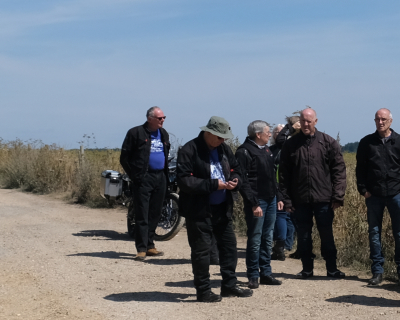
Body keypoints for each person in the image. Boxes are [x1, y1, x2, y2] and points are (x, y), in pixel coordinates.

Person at [174, 115, 255, 302]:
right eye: (219, 137)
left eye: (225, 137)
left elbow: (236, 169)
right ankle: (203, 291)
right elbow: (185, 180)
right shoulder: (189, 150)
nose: (222, 140)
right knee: (201, 252)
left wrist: (235, 180)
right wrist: (213, 184)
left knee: (229, 247)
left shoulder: (224, 149)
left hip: (222, 208)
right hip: (198, 210)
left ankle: (229, 285)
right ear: (208, 133)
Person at [277, 107, 348, 279]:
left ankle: (332, 268)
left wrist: (338, 196)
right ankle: (307, 269)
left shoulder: (327, 142)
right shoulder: (291, 145)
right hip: (300, 199)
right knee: (304, 236)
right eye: (303, 121)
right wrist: (286, 200)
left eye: (309, 121)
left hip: (324, 199)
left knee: (326, 235)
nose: (306, 124)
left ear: (315, 121)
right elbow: (284, 174)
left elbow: (339, 170)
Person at [355, 108, 400, 287]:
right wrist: (363, 190)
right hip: (374, 195)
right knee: (374, 233)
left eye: (384, 119)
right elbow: (360, 169)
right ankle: (377, 271)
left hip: (396, 194)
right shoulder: (367, 143)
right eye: (377, 119)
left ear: (391, 121)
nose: (380, 122)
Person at [120, 107, 174, 258]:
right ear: (150, 119)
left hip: (160, 177)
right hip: (143, 178)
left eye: (164, 118)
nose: (162, 120)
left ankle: (150, 244)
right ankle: (141, 248)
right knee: (142, 213)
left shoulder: (163, 133)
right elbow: (124, 157)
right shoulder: (135, 133)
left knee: (155, 212)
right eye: (159, 118)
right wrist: (135, 175)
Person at [238, 120, 283, 289]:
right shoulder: (244, 151)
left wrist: (279, 196)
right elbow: (243, 181)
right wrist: (253, 203)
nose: (270, 134)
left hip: (271, 199)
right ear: (258, 134)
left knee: (267, 237)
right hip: (257, 202)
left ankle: (266, 273)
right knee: (255, 238)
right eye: (267, 132)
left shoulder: (266, 150)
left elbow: (272, 176)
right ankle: (253, 275)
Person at [270, 111, 302, 260]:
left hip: (288, 184)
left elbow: (280, 140)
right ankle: (296, 247)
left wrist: (290, 127)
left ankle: (281, 246)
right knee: (296, 218)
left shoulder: (290, 143)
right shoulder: (304, 141)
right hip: (300, 185)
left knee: (282, 214)